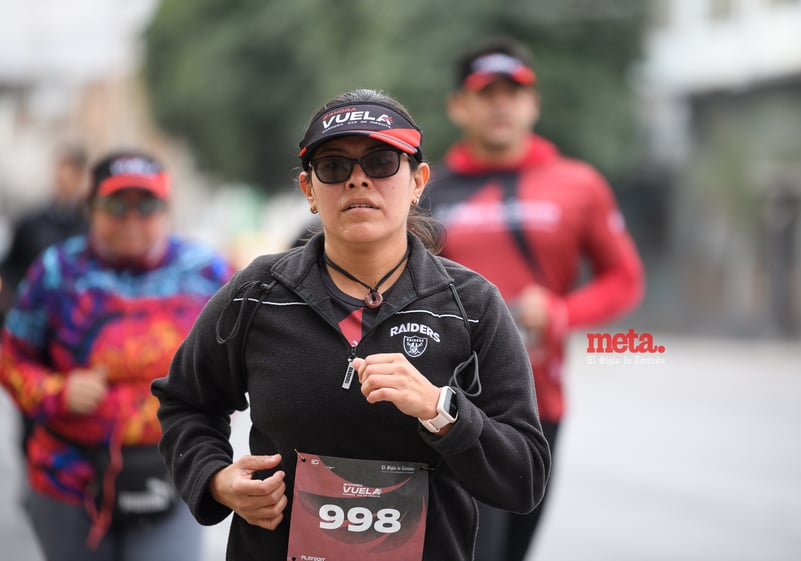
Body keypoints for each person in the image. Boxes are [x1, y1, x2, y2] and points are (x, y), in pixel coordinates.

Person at [151, 88, 552, 561]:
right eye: (335, 167)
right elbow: (185, 403)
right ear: (309, 190)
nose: (359, 181)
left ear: (418, 181)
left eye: (382, 162)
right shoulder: (257, 292)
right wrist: (215, 479)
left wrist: (441, 410)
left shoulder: (472, 305)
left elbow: (523, 476)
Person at [424, 37, 646, 561]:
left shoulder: (578, 184)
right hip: (439, 403)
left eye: (514, 92)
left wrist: (563, 314)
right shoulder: (423, 189)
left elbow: (625, 277)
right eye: (486, 92)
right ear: (459, 105)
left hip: (535, 404)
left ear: (534, 104)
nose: (502, 104)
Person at [0, 150, 234, 561]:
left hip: (174, 470)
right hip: (69, 480)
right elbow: (11, 355)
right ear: (91, 208)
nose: (131, 219)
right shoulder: (56, 271)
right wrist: (54, 390)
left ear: (166, 210)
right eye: (115, 205)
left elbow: (245, 355)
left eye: (146, 206)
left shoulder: (207, 272)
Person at [0, 143, 90, 324]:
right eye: (60, 171)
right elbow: (11, 266)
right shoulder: (32, 222)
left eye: (70, 173)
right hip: (31, 314)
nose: (63, 179)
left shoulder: (89, 228)